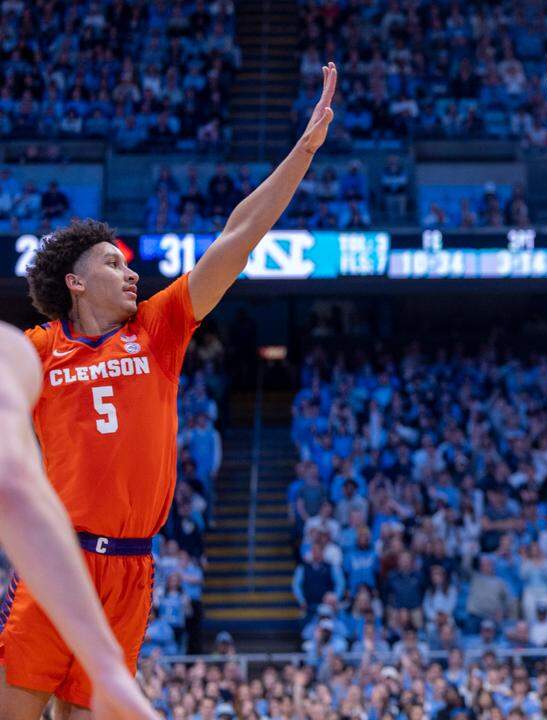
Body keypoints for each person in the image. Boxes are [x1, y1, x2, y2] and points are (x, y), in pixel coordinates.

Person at [0, 64, 338, 719]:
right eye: (113, 264)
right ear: (74, 281)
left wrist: (305, 149)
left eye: (128, 265)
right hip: (58, 564)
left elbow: (238, 237)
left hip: (132, 570)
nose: (130, 274)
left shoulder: (158, 329)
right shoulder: (40, 349)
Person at [0, 323, 157, 719]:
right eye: (112, 262)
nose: (130, 274)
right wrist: (106, 667)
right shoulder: (19, 350)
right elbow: (14, 488)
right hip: (66, 549)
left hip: (117, 558)